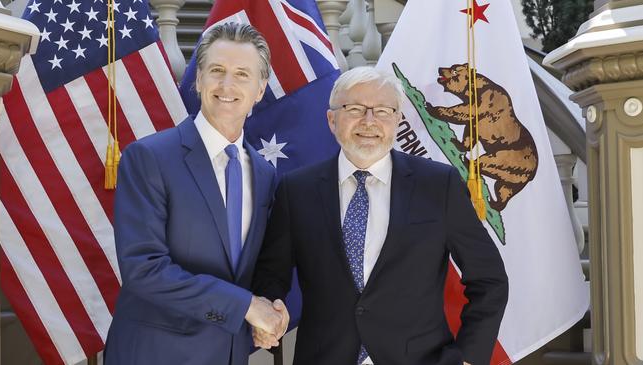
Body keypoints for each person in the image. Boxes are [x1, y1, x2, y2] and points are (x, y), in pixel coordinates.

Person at [251, 67, 509, 365]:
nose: (369, 121)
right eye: (355, 109)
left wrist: (467, 358)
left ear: (398, 120)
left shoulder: (440, 186)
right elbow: (271, 276)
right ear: (332, 120)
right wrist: (268, 313)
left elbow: (489, 279)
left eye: (383, 111)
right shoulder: (295, 191)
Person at [104, 22, 289, 365]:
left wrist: (269, 309)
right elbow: (143, 269)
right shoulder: (150, 158)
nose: (227, 85)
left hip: (231, 355)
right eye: (216, 70)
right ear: (199, 78)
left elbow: (257, 267)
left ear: (260, 89)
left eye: (242, 74)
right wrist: (246, 307)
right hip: (155, 355)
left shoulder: (265, 175)